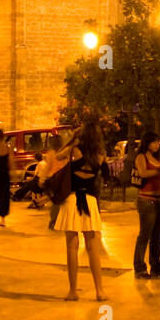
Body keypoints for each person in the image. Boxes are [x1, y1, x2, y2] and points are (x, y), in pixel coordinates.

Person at [55, 123, 107, 301]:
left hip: (72, 199)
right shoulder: (100, 155)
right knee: (93, 247)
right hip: (90, 200)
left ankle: (73, 290)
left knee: (72, 246)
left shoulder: (75, 150)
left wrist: (72, 142)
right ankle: (99, 290)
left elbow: (59, 155)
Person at [133, 132, 160, 279]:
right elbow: (142, 173)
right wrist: (158, 171)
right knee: (144, 235)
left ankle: (156, 265)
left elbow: (157, 175)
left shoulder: (155, 158)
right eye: (154, 142)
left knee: (156, 237)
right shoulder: (141, 156)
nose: (157, 145)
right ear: (147, 142)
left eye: (158, 142)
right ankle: (139, 267)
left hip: (159, 200)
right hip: (147, 201)